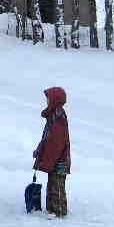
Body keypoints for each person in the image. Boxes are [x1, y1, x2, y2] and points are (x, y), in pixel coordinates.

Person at [32, 87, 70, 217]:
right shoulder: (53, 115)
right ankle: (52, 210)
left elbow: (56, 143)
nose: (47, 101)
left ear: (55, 100)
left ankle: (59, 211)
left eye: (49, 99)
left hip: (59, 160)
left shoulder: (59, 117)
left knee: (57, 185)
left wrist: (48, 161)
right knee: (52, 183)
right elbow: (47, 138)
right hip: (53, 159)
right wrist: (40, 150)